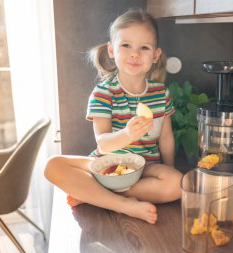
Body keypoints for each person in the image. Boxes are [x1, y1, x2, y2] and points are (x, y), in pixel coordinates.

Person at [44, 8, 182, 224]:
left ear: (155, 55)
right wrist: (127, 134)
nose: (134, 54)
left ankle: (95, 195)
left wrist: (170, 168)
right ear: (111, 50)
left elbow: (166, 138)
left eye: (144, 47)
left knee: (177, 183)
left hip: (145, 167)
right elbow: (104, 144)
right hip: (105, 165)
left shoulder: (160, 93)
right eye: (126, 45)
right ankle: (124, 205)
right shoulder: (104, 93)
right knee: (52, 166)